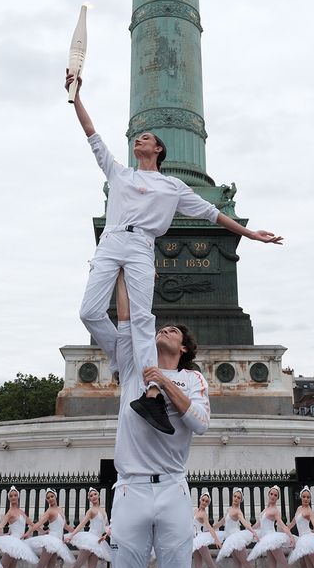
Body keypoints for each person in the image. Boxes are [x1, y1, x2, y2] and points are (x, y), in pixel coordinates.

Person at [65, 70, 282, 435]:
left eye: (146, 138)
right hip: (112, 241)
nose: (139, 140)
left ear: (159, 149)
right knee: (88, 312)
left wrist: (251, 234)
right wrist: (76, 97)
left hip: (140, 246)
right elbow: (92, 135)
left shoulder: (172, 186)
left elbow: (212, 213)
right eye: (137, 138)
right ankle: (121, 360)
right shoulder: (119, 174)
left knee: (141, 318)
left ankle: (151, 391)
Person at [109, 270, 209, 568]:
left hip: (172, 490)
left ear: (184, 348)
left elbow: (200, 423)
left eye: (172, 330)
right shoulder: (132, 365)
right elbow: (128, 315)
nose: (162, 330)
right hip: (130, 488)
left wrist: (164, 382)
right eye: (160, 328)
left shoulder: (192, 381)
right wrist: (123, 267)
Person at [247, 486, 305, 568]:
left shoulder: (274, 510)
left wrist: (290, 535)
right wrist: (248, 532)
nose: (273, 496)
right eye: (271, 494)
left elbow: (281, 525)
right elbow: (257, 525)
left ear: (277, 498)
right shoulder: (265, 510)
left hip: (272, 540)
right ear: (269, 495)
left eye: (275, 495)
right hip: (266, 541)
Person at [19, 489, 76, 568]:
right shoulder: (49, 511)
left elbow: (64, 526)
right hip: (50, 542)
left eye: (52, 496)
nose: (50, 499)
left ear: (55, 497)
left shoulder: (60, 509)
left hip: (58, 544)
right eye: (48, 497)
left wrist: (75, 532)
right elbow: (38, 523)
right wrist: (28, 533)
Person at [59, 488, 113, 568]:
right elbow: (82, 524)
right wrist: (72, 535)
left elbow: (107, 528)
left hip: (98, 543)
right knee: (76, 567)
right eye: (91, 495)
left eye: (95, 494)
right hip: (90, 540)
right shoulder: (91, 511)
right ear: (89, 499)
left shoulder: (103, 511)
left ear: (98, 496)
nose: (94, 496)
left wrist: (105, 536)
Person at [215, 489, 269, 568]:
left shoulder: (238, 511)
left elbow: (244, 523)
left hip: (237, 540)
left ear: (241, 500)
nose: (235, 499)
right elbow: (222, 522)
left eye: (238, 497)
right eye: (234, 496)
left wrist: (252, 531)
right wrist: (212, 529)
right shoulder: (229, 509)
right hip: (231, 541)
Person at [190, 490, 232, 568]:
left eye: (206, 501)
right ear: (199, 500)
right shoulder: (194, 511)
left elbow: (209, 527)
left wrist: (217, 540)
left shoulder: (203, 514)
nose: (204, 502)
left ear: (208, 504)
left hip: (200, 540)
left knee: (212, 567)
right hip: (194, 541)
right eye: (203, 500)